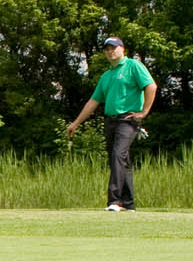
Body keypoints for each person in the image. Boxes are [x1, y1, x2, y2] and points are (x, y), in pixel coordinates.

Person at [65, 36, 157, 211]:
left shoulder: (133, 66)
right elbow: (93, 101)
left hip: (128, 119)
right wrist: (75, 123)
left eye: (114, 48)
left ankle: (115, 201)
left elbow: (151, 86)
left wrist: (144, 112)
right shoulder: (106, 76)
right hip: (111, 120)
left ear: (123, 49)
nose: (110, 51)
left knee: (118, 154)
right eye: (107, 49)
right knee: (121, 160)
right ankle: (128, 203)